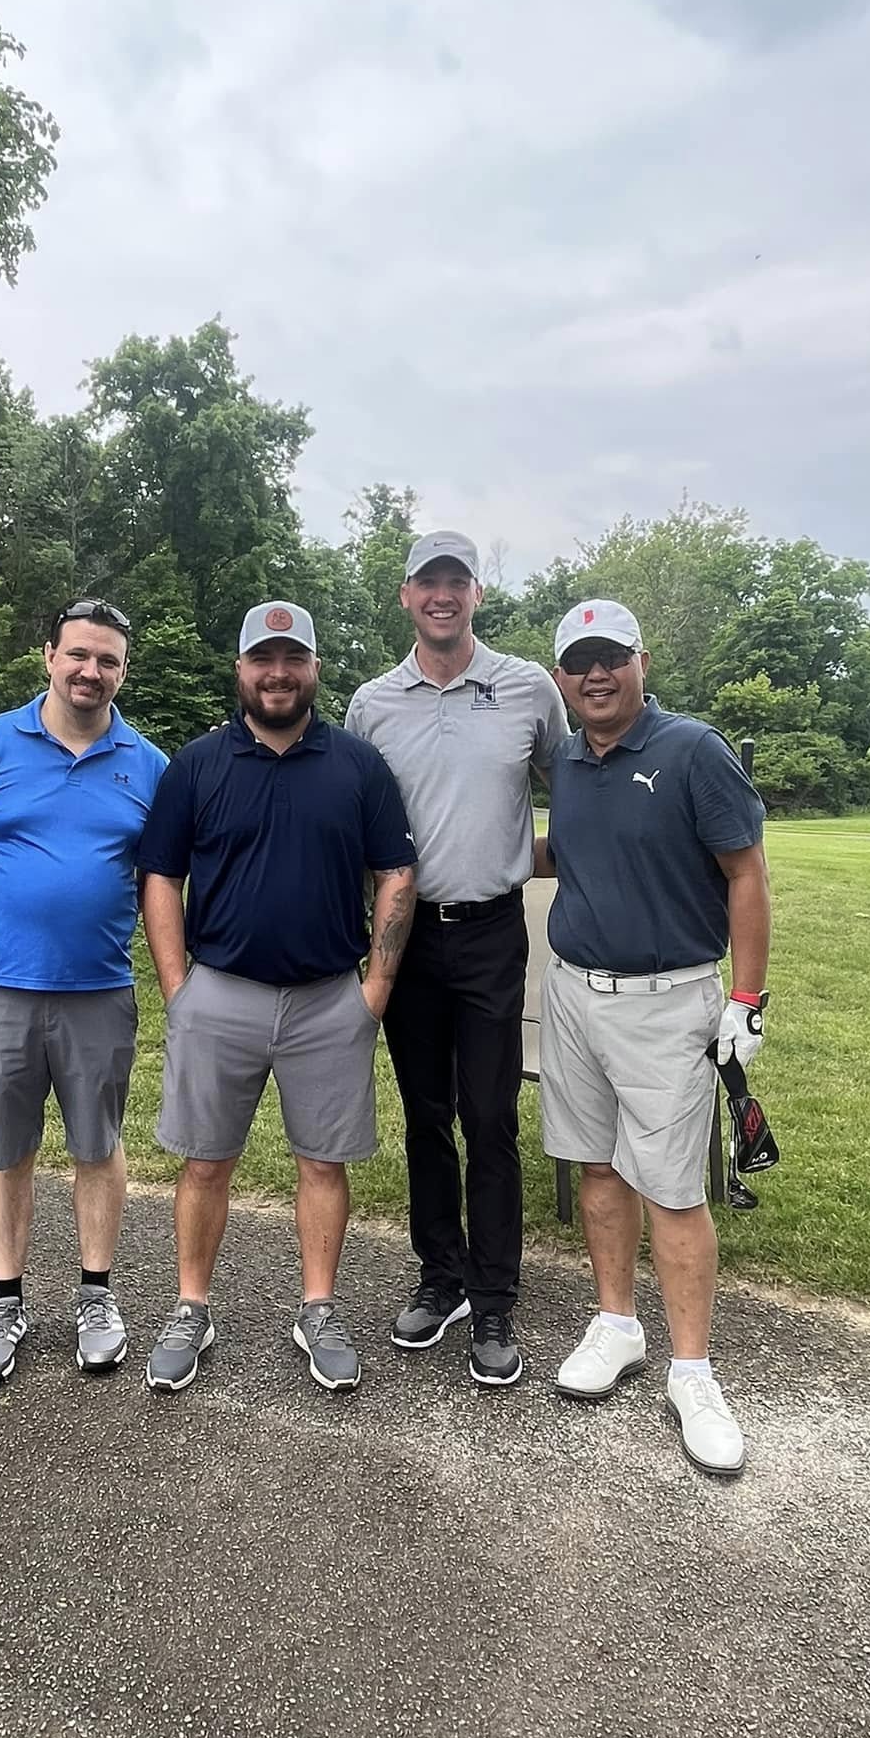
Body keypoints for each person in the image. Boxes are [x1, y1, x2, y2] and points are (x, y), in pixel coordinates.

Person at [137, 601, 419, 1394]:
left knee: (323, 1164)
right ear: (241, 669)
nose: (278, 673)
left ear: (314, 669)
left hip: (329, 1001)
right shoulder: (197, 765)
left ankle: (318, 1309)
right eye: (264, 659)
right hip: (219, 994)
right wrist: (177, 987)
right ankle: (192, 1307)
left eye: (294, 659)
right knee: (205, 1163)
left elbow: (397, 870)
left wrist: (375, 988)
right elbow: (160, 875)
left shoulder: (358, 765)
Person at [534, 598, 770, 1476]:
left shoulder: (693, 750)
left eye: (611, 657)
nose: (596, 674)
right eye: (579, 662)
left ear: (642, 662)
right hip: (573, 993)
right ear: (561, 678)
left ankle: (693, 1372)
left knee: (672, 1189)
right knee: (597, 1168)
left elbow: (746, 873)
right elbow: (570, 853)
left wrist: (747, 997)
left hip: (669, 999)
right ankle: (618, 1324)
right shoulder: (566, 758)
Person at [345, 531, 570, 1387]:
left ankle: (494, 1295)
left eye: (457, 581)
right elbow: (355, 820)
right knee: (426, 1114)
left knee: (489, 1116)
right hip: (405, 937)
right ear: (406, 595)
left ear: (477, 594)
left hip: (490, 932)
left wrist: (549, 853)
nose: (442, 595)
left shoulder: (526, 688)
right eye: (427, 582)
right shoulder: (373, 703)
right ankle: (441, 1276)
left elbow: (574, 782)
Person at [0, 599, 168, 1383]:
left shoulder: (150, 766)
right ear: (49, 656)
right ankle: (6, 1301)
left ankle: (97, 1295)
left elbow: (161, 880)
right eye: (79, 655)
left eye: (108, 660)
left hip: (99, 990)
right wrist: (8, 907)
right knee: (8, 1150)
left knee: (97, 1145)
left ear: (123, 672)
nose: (91, 671)